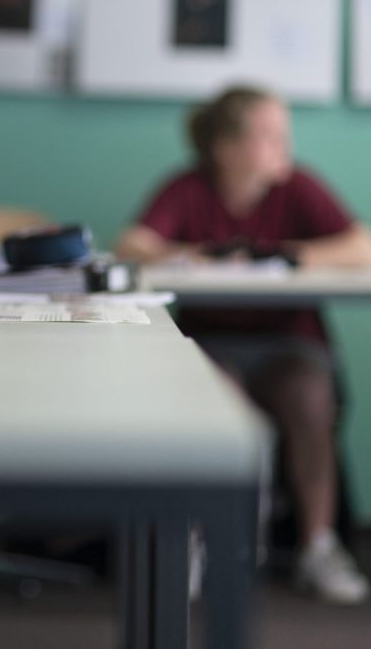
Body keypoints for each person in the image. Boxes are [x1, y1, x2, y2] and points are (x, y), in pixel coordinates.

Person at [115, 85, 371, 604]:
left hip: (288, 347)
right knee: (213, 393)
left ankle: (317, 545)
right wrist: (209, 256)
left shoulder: (299, 188)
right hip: (214, 344)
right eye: (269, 136)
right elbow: (134, 246)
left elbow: (360, 244)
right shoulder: (189, 188)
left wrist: (278, 254)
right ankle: (201, 541)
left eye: (284, 134)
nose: (284, 146)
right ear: (226, 147)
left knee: (310, 396)